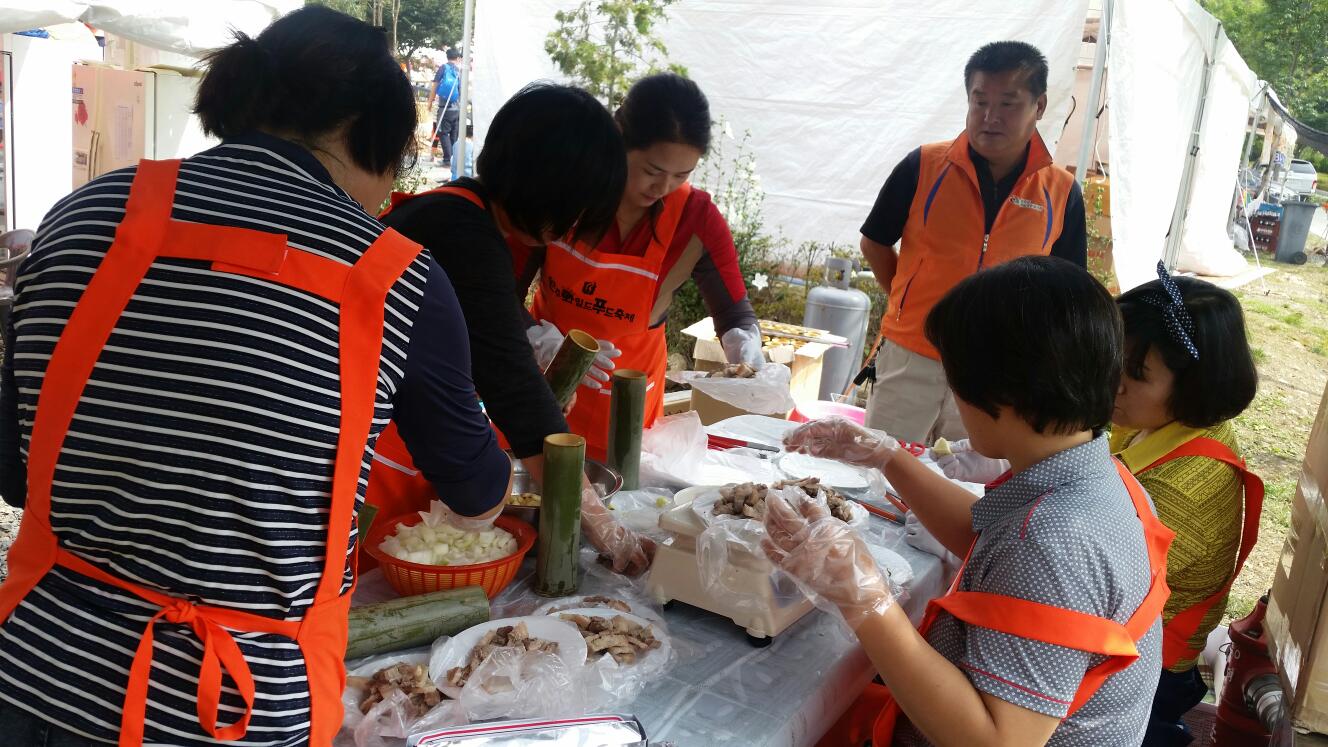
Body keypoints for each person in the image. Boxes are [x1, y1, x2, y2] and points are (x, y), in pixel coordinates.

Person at [0, 8, 512, 745]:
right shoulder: (396, 277)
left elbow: (19, 476)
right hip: (234, 711)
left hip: (32, 675)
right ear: (362, 128)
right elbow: (477, 498)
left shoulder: (79, 216)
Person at [772, 256, 1172, 746]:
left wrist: (862, 594)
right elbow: (987, 544)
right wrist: (887, 457)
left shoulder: (1054, 542)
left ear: (1000, 394)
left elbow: (996, 741)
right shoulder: (1100, 479)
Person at [933, 263, 1263, 745]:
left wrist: (868, 605)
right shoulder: (1146, 423)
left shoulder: (1177, 487)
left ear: (1191, 388)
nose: (1114, 385)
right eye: (1113, 361)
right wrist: (890, 460)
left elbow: (1003, 735)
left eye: (1136, 375)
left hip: (1147, 673)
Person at [373, 83, 654, 575]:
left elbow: (490, 324)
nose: (569, 230)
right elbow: (520, 402)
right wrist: (605, 528)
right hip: (376, 463)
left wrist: (529, 335)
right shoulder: (466, 234)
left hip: (406, 442)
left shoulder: (459, 213)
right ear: (544, 188)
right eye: (574, 211)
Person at [513, 72, 763, 460]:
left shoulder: (694, 219)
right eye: (651, 171)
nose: (663, 187)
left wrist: (743, 344)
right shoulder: (565, 190)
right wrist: (539, 342)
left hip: (628, 412)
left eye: (681, 175)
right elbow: (498, 294)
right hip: (542, 385)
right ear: (618, 137)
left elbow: (732, 310)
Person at [859, 41, 1088, 444]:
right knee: (878, 472)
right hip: (910, 356)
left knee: (969, 487)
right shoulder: (925, 165)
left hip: (997, 372)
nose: (989, 117)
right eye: (979, 101)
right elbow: (875, 241)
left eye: (1008, 104)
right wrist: (906, 303)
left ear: (1040, 106)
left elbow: (1067, 289)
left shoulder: (1061, 192)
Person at [428, 48, 462, 166]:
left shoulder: (442, 68)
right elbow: (461, 90)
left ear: (447, 57)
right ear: (457, 58)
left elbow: (435, 86)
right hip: (457, 109)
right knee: (454, 134)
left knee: (443, 133)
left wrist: (430, 101)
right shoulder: (459, 71)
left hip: (444, 108)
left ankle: (448, 159)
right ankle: (454, 160)